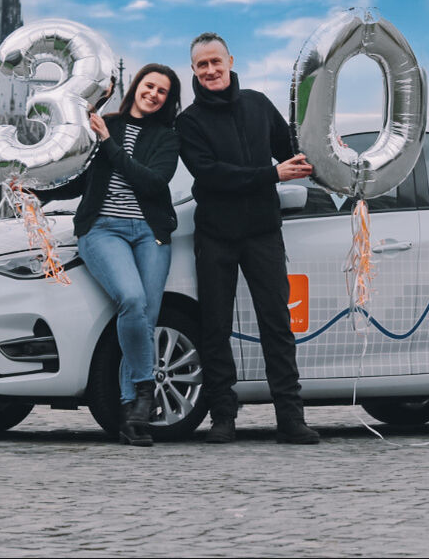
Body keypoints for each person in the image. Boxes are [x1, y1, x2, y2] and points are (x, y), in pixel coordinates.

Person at [175, 32, 320, 445]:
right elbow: (211, 175)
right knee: (215, 328)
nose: (210, 70)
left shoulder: (257, 104)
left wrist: (327, 151)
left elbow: (290, 149)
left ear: (230, 60)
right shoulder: (188, 122)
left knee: (277, 324)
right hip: (215, 236)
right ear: (194, 70)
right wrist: (272, 176)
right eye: (201, 65)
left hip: (262, 233)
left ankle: (290, 418)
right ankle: (223, 417)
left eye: (215, 62)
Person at [40, 64, 182, 446]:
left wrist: (110, 146)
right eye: (149, 86)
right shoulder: (105, 124)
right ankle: (143, 391)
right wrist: (36, 190)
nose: (153, 94)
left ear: (168, 100)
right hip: (103, 230)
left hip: (150, 232)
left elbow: (153, 182)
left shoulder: (167, 137)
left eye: (162, 92)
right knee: (132, 300)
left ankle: (129, 415)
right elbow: (80, 180)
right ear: (137, 86)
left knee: (143, 318)